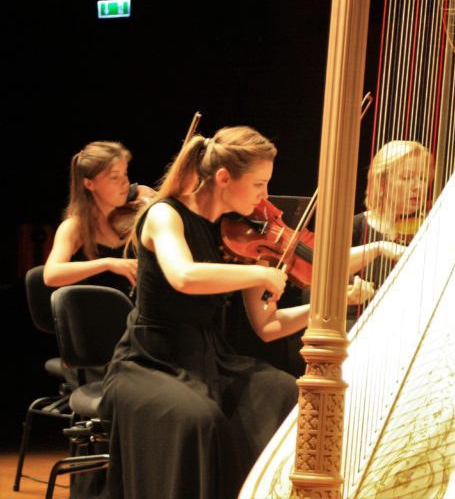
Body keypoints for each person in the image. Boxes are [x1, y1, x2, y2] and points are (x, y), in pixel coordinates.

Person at [99, 126, 369, 499]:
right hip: (149, 360)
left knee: (281, 391)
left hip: (211, 357)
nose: (265, 195)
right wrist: (259, 274)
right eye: (259, 184)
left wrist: (332, 304)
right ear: (224, 178)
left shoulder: (238, 235)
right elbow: (183, 276)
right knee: (200, 419)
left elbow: (269, 326)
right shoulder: (165, 214)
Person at [44, 141, 153, 297]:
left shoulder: (130, 213)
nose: (125, 182)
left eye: (125, 174)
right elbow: (51, 275)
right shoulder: (74, 227)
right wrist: (108, 263)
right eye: (114, 177)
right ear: (89, 184)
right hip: (97, 308)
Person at [347, 140, 434, 323]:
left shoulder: (432, 226)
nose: (418, 187)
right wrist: (378, 247)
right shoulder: (356, 226)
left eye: (423, 179)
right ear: (381, 183)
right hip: (359, 325)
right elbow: (324, 269)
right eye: (407, 178)